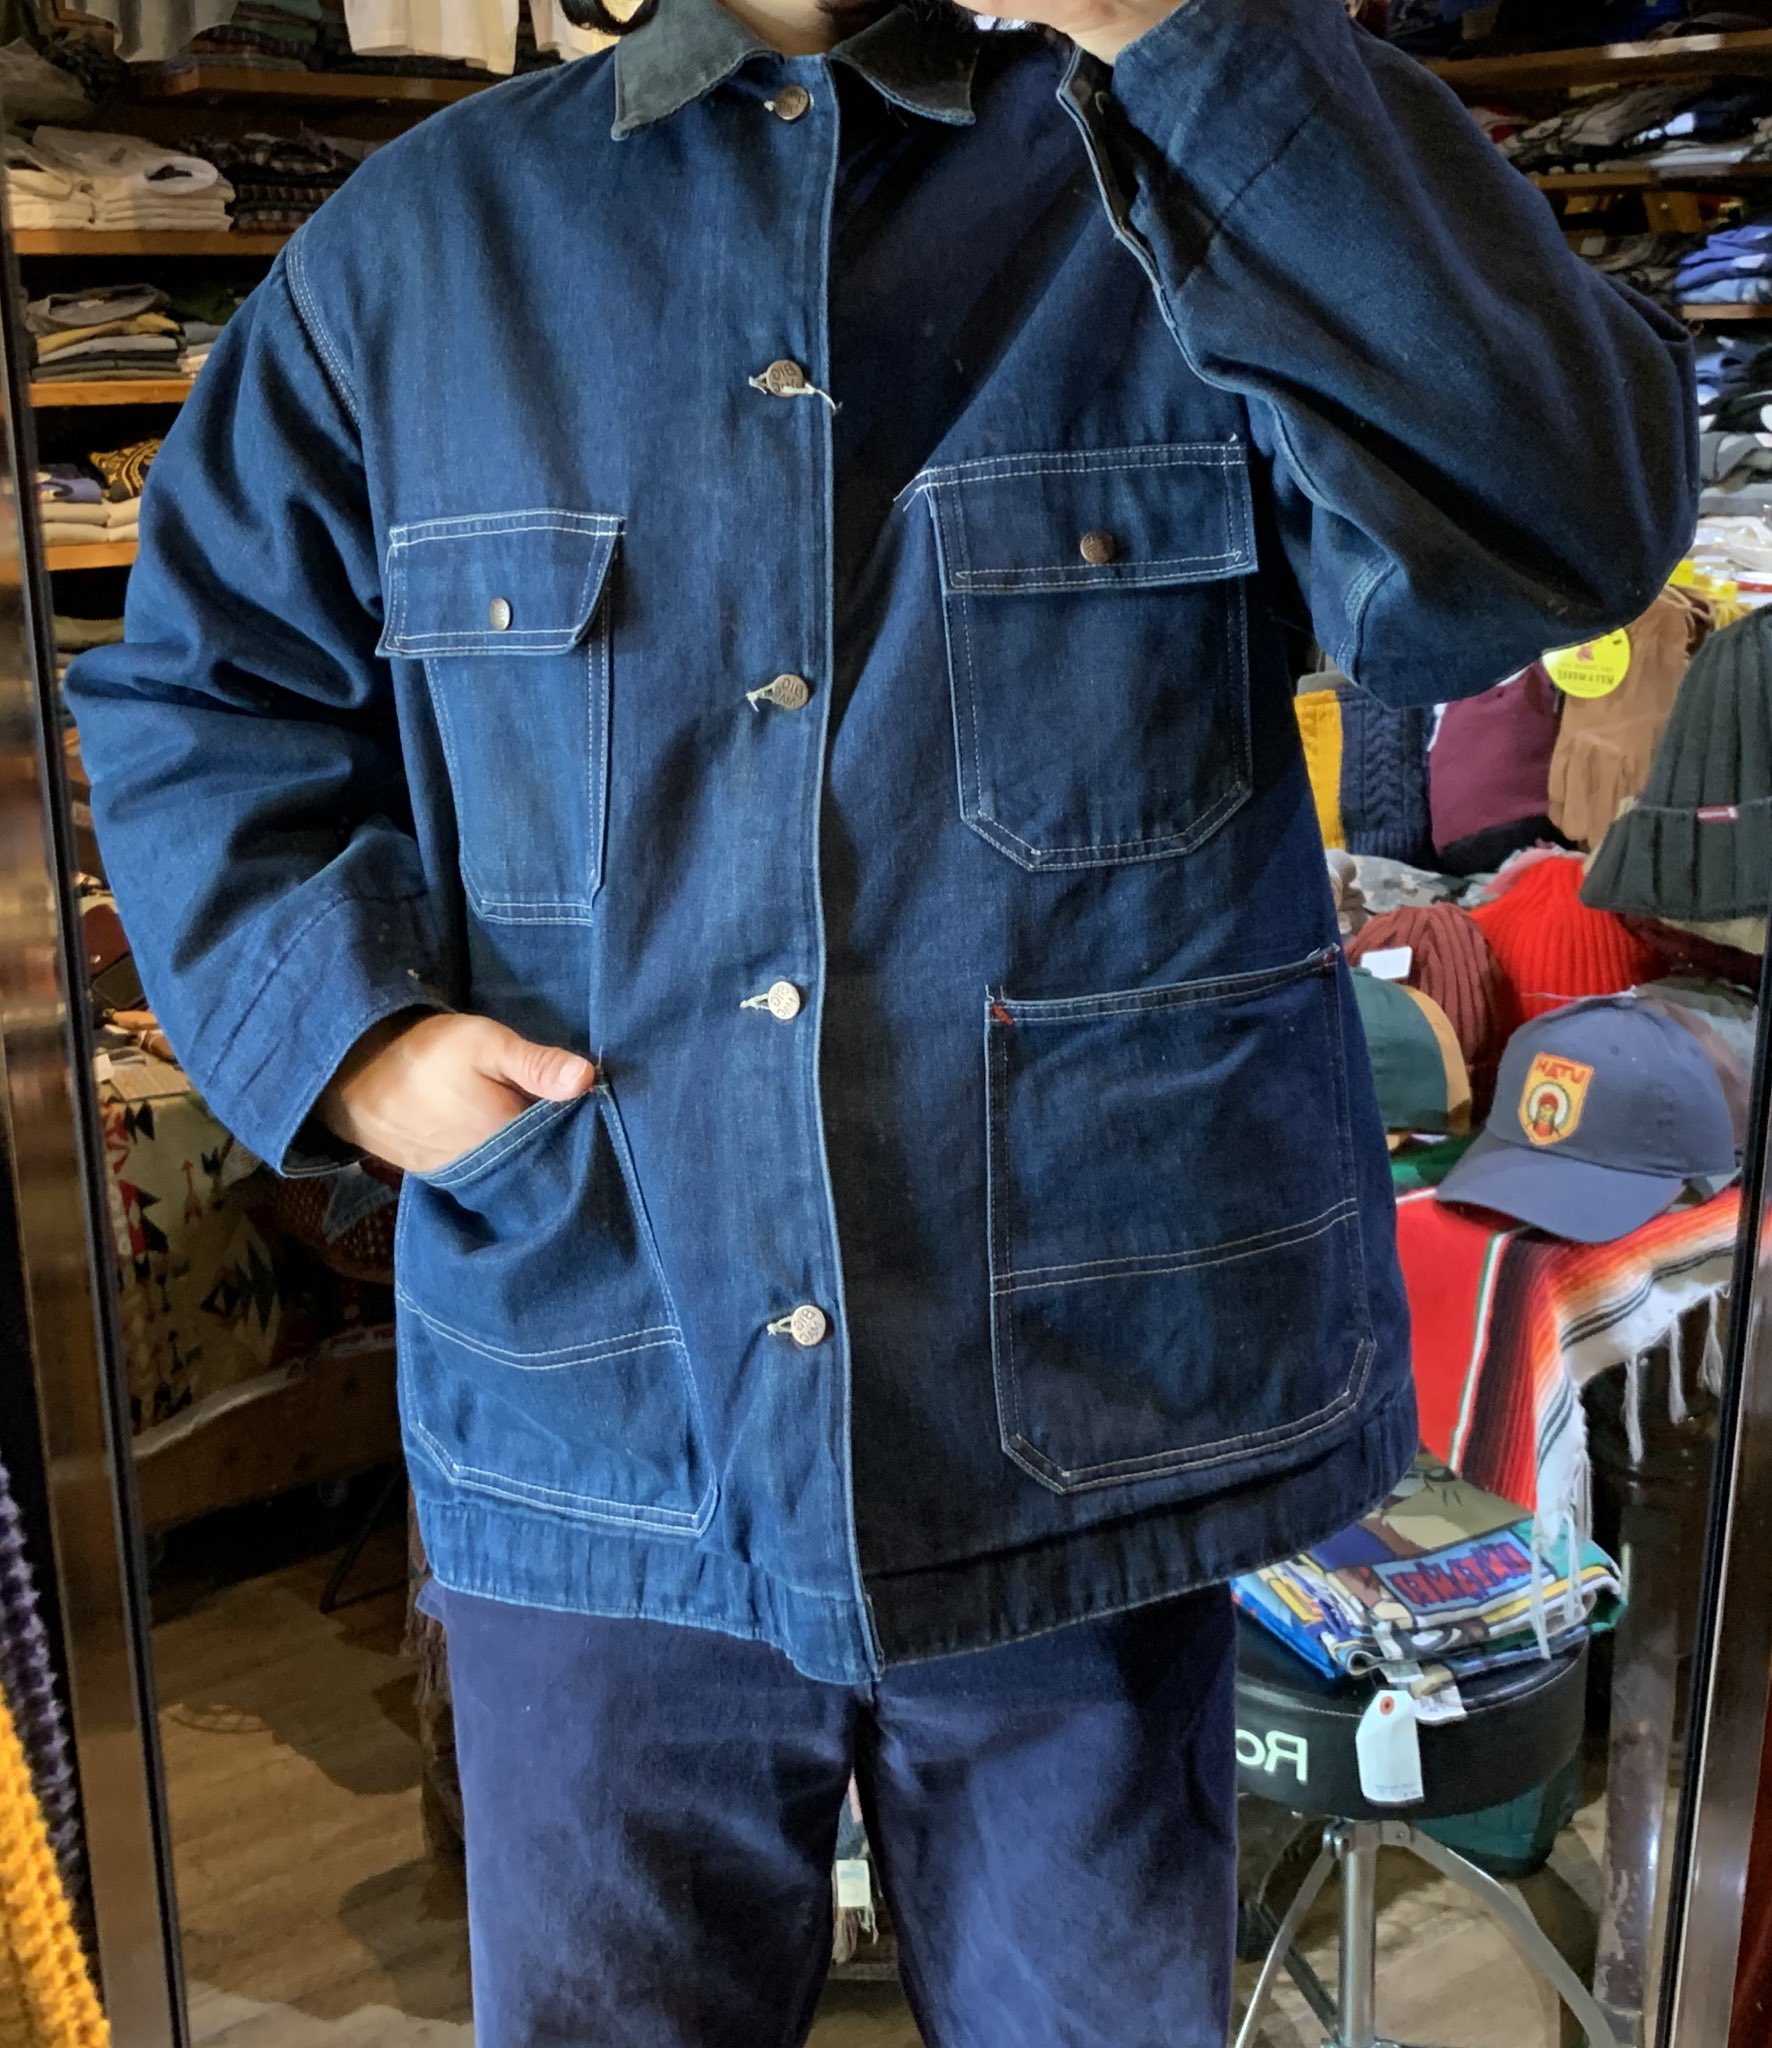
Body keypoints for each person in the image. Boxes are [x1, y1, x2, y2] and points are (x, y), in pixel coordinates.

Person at [65, 0, 1695, 2037]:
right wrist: (354, 1040)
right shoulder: (416, 257)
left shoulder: (1182, 183)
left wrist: (1182, 30)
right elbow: (202, 700)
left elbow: (1568, 524)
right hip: (605, 1412)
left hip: (1087, 1446)